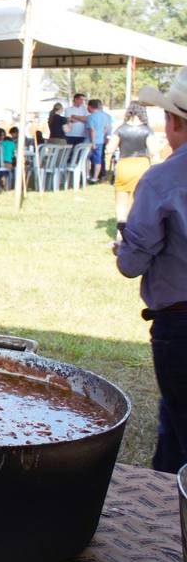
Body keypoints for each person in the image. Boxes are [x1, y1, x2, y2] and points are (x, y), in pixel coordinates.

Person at [115, 67, 187, 474]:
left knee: (179, 429)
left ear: (173, 121)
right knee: (173, 432)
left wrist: (124, 248)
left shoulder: (162, 180)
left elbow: (132, 263)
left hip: (180, 326)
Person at [106, 101, 155, 240]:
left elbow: (109, 149)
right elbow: (153, 151)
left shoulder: (121, 129)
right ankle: (134, 232)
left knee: (120, 201)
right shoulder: (147, 130)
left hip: (124, 165)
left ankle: (120, 234)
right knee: (136, 200)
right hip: (141, 165)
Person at [86, 99, 111, 182]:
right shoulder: (105, 116)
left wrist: (93, 142)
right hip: (100, 140)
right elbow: (106, 128)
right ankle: (95, 177)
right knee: (98, 160)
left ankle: (87, 175)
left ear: (90, 106)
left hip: (91, 142)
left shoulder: (90, 117)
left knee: (86, 159)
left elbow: (92, 130)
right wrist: (102, 136)